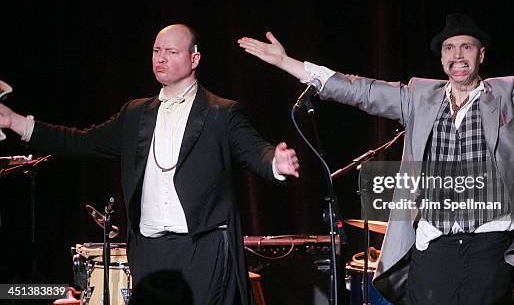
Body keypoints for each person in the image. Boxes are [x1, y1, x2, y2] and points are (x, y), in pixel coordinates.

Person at [238, 13, 514, 304]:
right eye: (450, 48)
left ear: (481, 54)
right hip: (434, 244)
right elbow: (357, 90)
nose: (458, 56)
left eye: (466, 47)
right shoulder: (419, 96)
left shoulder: (509, 95)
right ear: (443, 58)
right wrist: (288, 63)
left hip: (488, 242)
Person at [0, 24, 300, 304]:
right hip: (149, 249)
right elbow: (80, 142)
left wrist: (276, 162)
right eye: (157, 51)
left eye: (172, 52)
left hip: (202, 248)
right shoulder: (136, 113)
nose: (161, 58)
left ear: (194, 59)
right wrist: (15, 122)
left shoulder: (221, 112)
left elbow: (254, 152)